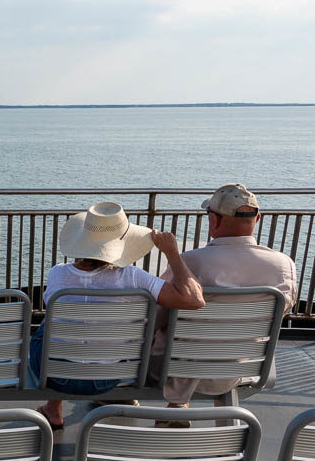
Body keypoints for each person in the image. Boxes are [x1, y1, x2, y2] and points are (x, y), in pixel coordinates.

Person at [29, 201, 204, 430]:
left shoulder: (57, 275)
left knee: (51, 323)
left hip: (55, 375)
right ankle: (77, 401)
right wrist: (172, 253)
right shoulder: (134, 278)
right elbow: (193, 299)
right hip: (108, 377)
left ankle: (53, 409)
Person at [153, 183, 297, 426]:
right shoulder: (283, 266)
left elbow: (156, 318)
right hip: (242, 368)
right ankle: (209, 414)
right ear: (258, 218)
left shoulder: (190, 263)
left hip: (175, 368)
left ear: (214, 220)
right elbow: (280, 313)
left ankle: (178, 403)